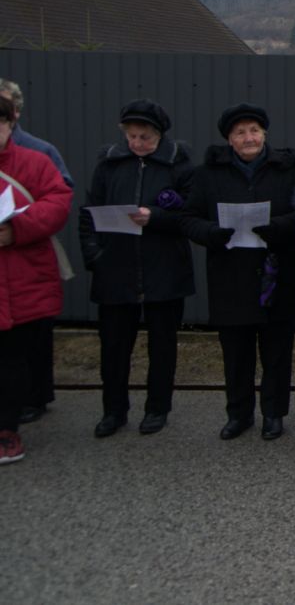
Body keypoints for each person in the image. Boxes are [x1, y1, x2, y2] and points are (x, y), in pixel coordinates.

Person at [182, 104, 295, 440]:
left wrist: (277, 226)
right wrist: (211, 233)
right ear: (229, 139)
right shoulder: (207, 174)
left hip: (276, 275)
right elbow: (189, 218)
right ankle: (239, 414)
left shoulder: (287, 170)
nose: (249, 138)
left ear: (264, 134)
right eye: (240, 133)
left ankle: (274, 414)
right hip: (230, 276)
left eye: (254, 131)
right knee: (236, 353)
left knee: (277, 352)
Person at [79, 100, 195, 438]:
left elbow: (192, 213)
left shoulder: (178, 165)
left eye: (145, 137)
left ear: (159, 135)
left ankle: (157, 408)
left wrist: (155, 217)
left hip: (164, 269)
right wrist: (94, 257)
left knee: (163, 345)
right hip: (116, 268)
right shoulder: (109, 164)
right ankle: (113, 411)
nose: (137, 143)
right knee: (114, 347)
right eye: (131, 136)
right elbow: (89, 212)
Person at [0, 94, 72, 465]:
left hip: (23, 276)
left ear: (10, 124)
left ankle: (7, 430)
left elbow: (57, 202)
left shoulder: (35, 161)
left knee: (13, 359)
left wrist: (18, 229)